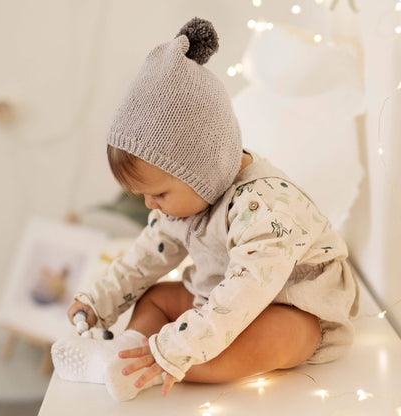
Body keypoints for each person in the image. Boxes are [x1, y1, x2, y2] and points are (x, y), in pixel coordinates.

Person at [51, 17, 359, 401]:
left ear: (203, 169)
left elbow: (244, 294)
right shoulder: (186, 200)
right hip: (218, 302)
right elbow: (143, 259)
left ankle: (146, 369)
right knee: (156, 297)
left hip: (291, 303)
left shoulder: (267, 209)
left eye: (158, 195)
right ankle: (122, 353)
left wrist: (177, 349)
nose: (151, 206)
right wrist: (99, 299)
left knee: (285, 335)